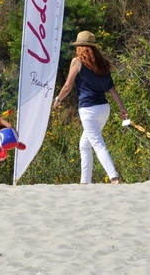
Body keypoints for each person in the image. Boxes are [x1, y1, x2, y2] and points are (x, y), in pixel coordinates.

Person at [52, 31, 128, 185]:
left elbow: (67, 86)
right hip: (104, 109)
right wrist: (122, 108)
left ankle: (114, 178)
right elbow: (111, 88)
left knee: (98, 144)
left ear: (79, 46)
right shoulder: (102, 63)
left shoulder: (77, 61)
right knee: (84, 144)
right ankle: (85, 182)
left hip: (88, 109)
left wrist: (58, 100)